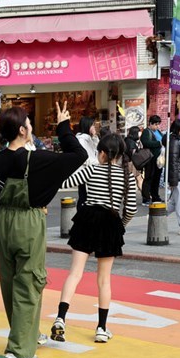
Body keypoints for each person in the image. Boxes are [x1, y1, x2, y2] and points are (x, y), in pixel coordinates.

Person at [0, 102, 87, 358]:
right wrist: (62, 126)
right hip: (29, 222)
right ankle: (18, 351)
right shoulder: (39, 160)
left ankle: (27, 333)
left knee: (10, 281)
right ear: (24, 130)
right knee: (30, 282)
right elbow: (78, 154)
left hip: (5, 224)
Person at [50, 134, 138, 345]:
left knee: (75, 273)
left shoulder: (91, 169)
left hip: (87, 218)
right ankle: (101, 328)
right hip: (110, 222)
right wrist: (121, 226)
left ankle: (61, 318)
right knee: (104, 280)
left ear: (101, 153)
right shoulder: (128, 177)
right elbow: (132, 208)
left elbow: (67, 182)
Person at [75, 116, 99, 208]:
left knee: (86, 197)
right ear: (87, 126)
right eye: (92, 125)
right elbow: (84, 158)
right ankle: (81, 217)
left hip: (90, 171)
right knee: (84, 197)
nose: (94, 127)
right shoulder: (82, 140)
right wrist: (98, 162)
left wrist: (95, 137)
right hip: (85, 172)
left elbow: (97, 150)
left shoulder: (89, 138)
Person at [140, 115, 164, 205]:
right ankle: (146, 198)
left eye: (158, 124)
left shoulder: (158, 132)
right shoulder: (147, 132)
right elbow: (146, 142)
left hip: (159, 159)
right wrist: (159, 143)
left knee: (156, 178)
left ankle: (155, 196)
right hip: (150, 159)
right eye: (156, 124)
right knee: (149, 178)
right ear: (150, 124)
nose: (157, 126)